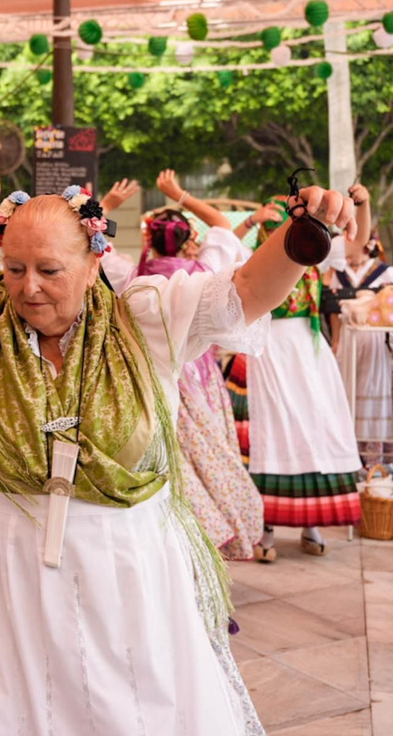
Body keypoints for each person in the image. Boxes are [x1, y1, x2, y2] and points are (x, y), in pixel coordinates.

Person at [0, 115, 356, 735]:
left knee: (136, 710)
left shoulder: (150, 316)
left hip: (130, 567)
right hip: (11, 569)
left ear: (96, 262)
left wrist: (300, 230)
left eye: (50, 270)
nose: (28, 288)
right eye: (14, 269)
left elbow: (246, 291)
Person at [93, 170, 264, 561]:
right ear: (190, 241)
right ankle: (208, 538)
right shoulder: (204, 275)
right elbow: (223, 224)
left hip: (148, 382)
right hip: (201, 384)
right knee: (210, 461)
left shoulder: (129, 277)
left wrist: (109, 205)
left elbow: (89, 239)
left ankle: (172, 543)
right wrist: (179, 194)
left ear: (149, 241)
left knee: (164, 465)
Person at [242, 195, 363, 561]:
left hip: (308, 348)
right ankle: (266, 530)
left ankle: (311, 524)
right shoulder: (251, 262)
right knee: (271, 434)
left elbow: (357, 243)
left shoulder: (314, 252)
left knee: (316, 430)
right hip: (267, 344)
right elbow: (224, 245)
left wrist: (361, 207)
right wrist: (250, 220)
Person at [331, 185, 393, 464]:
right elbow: (333, 313)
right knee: (349, 396)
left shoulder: (388, 273)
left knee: (377, 395)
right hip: (349, 342)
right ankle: (353, 458)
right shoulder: (333, 274)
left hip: (378, 345)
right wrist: (336, 340)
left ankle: (382, 461)